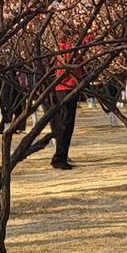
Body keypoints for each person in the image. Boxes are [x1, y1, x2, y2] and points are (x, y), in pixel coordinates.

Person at [50, 31, 90, 170]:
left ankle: (62, 156)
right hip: (67, 87)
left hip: (66, 87)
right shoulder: (68, 48)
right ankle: (59, 158)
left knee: (67, 124)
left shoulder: (64, 48)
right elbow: (84, 42)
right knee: (65, 124)